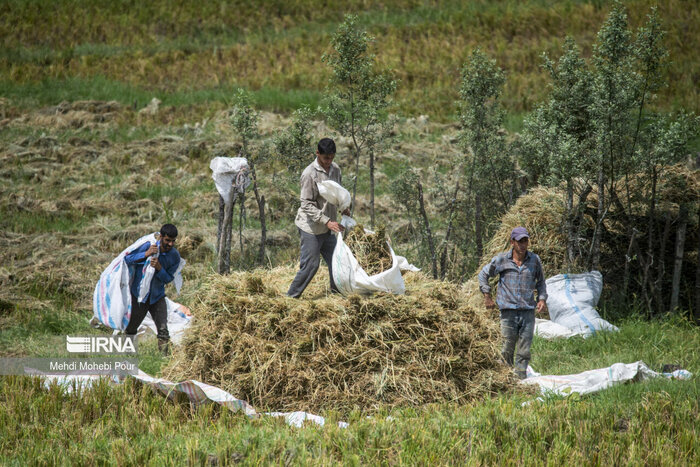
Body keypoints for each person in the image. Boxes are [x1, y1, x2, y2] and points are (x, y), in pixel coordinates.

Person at [478, 226, 547, 379]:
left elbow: (541, 282)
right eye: (519, 242)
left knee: (524, 349)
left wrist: (541, 299)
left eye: (525, 241)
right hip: (507, 311)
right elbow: (483, 275)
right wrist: (487, 295)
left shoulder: (534, 260)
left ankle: (521, 377)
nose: (523, 245)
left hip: (527, 311)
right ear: (512, 242)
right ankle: (506, 378)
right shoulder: (502, 260)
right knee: (506, 348)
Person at [287, 138, 350, 298]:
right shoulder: (309, 174)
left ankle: (337, 295)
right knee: (311, 265)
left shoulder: (335, 169)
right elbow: (306, 204)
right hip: (311, 228)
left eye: (331, 157)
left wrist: (344, 208)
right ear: (317, 153)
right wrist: (327, 221)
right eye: (325, 158)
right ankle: (291, 297)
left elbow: (338, 194)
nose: (329, 161)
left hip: (328, 227)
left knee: (337, 262)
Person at [124, 223, 181, 354]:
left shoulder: (174, 256)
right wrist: (146, 254)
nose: (170, 244)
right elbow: (127, 259)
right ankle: (128, 357)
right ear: (161, 237)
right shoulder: (148, 246)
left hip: (157, 297)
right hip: (139, 296)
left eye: (173, 241)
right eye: (167, 240)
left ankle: (164, 361)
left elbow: (168, 279)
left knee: (163, 331)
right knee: (131, 328)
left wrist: (160, 269)